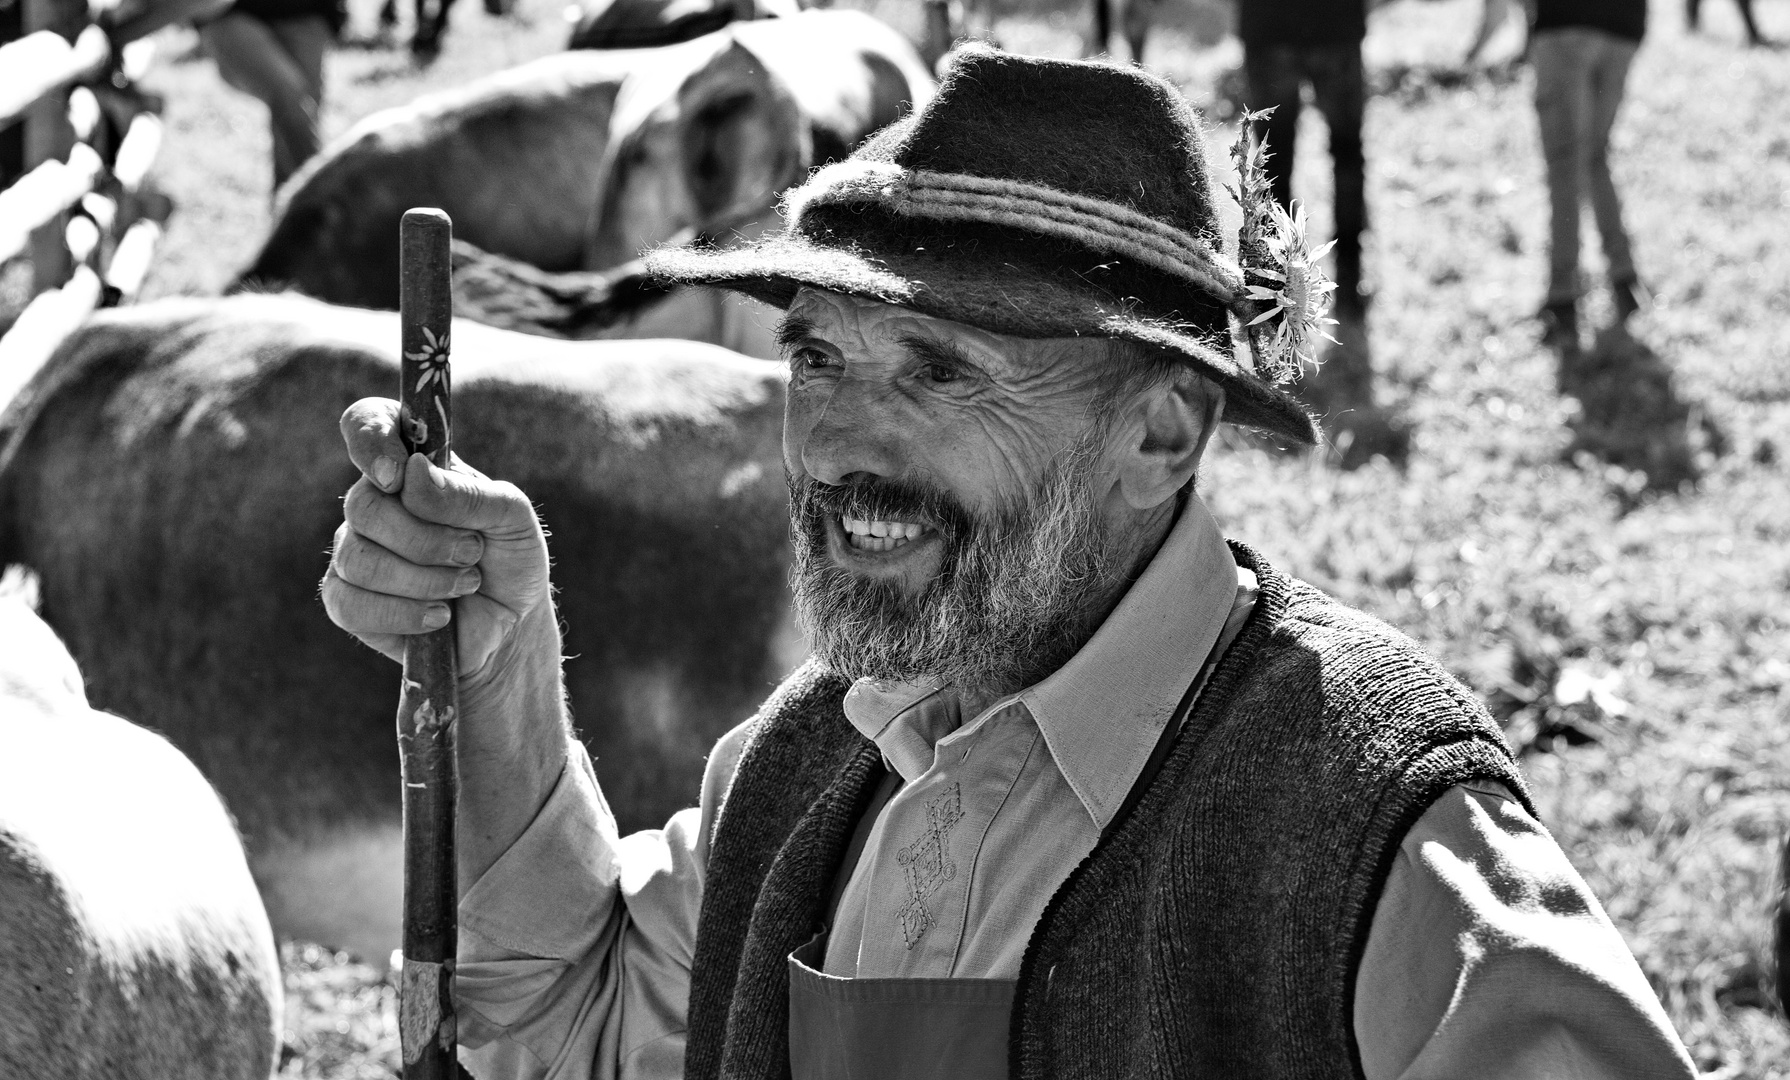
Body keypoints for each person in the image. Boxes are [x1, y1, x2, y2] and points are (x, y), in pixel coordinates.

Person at [321, 46, 1699, 1080]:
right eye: (816, 356)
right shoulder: (809, 766)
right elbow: (572, 1029)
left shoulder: (1374, 834)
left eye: (939, 371)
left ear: (1160, 430)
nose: (842, 443)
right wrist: (498, 661)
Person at [1529, 0, 1647, 351]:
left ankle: (1563, 298)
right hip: (1623, 26)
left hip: (1568, 23)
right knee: (1594, 155)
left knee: (1566, 163)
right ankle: (1624, 276)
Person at [198, 0, 345, 190]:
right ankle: (323, 194)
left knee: (303, 116)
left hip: (308, 16)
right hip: (233, 16)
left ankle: (293, 211)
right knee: (290, 96)